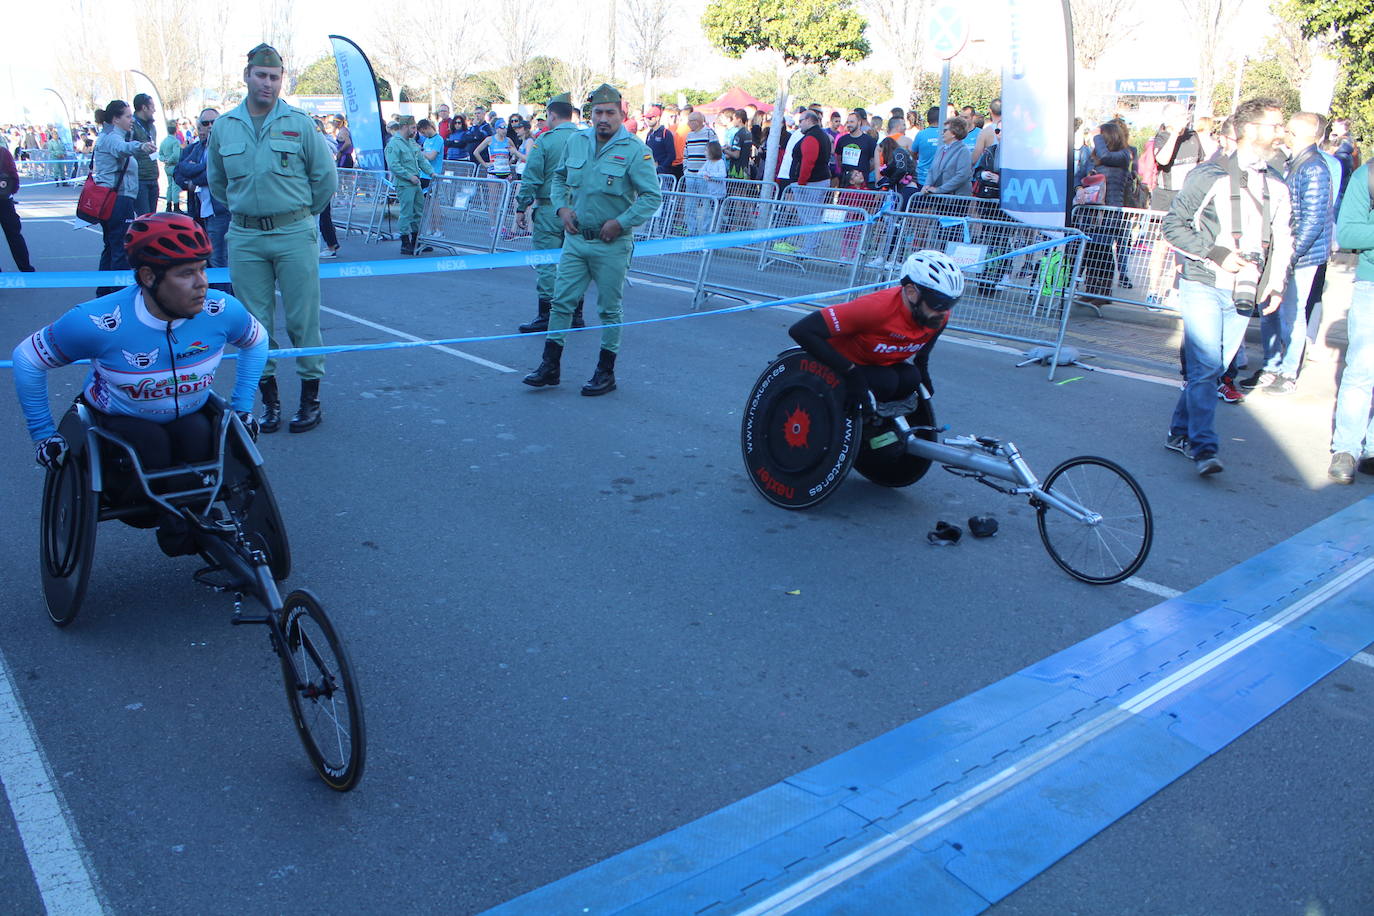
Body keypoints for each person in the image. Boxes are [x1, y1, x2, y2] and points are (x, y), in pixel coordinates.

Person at [11, 213, 267, 554]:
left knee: (202, 436)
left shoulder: (221, 310)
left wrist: (243, 408)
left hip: (190, 414)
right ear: (148, 277)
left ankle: (189, 522)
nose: (202, 282)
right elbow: (27, 359)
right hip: (118, 421)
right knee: (151, 442)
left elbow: (257, 340)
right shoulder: (97, 322)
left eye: (203, 268)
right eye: (186, 273)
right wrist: (44, 435)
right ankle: (174, 522)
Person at [207, 43, 338, 435]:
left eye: (275, 77)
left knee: (303, 320)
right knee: (254, 325)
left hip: (294, 232)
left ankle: (310, 402)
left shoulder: (299, 123)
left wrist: (297, 215)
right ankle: (270, 403)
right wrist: (246, 210)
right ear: (246, 76)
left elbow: (325, 178)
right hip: (245, 237)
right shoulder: (225, 127)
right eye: (261, 75)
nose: (268, 83)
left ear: (282, 79)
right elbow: (217, 182)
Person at [1161, 98, 1294, 477]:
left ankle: (1178, 431)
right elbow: (1173, 226)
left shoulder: (1277, 184)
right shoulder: (1210, 175)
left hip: (1246, 290)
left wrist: (1277, 285)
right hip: (1203, 283)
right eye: (1275, 126)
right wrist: (1216, 254)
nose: (1280, 133)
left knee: (1214, 367)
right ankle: (1204, 447)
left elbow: (1283, 239)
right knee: (1205, 368)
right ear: (1250, 130)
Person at [521, 84, 663, 396]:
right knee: (561, 302)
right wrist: (561, 207)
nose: (603, 118)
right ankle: (550, 366)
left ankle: (605, 372)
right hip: (575, 240)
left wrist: (621, 222)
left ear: (621, 114)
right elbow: (559, 177)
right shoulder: (577, 141)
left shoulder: (636, 151)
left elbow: (652, 197)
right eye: (598, 112)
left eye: (610, 112)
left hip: (611, 244)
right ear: (590, 115)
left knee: (609, 309)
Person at [787, 250, 964, 408]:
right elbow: (801, 330)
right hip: (841, 362)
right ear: (911, 292)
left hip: (876, 363)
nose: (944, 311)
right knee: (885, 382)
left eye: (951, 303)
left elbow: (923, 352)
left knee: (911, 378)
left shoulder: (939, 316)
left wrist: (922, 370)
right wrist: (850, 374)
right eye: (938, 303)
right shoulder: (874, 309)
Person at [1239, 112, 1333, 396]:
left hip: (1301, 254)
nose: (1284, 134)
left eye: (1290, 130)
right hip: (1288, 249)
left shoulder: (1314, 167)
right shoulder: (1297, 162)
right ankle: (1272, 365)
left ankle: (1287, 371)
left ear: (1305, 134)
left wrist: (1290, 256)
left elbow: (1313, 218)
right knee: (1271, 308)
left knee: (1291, 312)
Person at [515, 92, 586, 334]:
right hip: (581, 209)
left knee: (547, 262)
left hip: (549, 209)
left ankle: (546, 315)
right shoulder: (588, 139)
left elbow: (531, 176)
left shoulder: (545, 141)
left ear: (552, 115)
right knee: (576, 263)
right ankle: (576, 314)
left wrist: (521, 207)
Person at [1328, 157, 1374, 483]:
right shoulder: (1368, 175)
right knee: (1363, 369)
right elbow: (1347, 232)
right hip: (1372, 285)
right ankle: (1346, 448)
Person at [93, 100, 156, 295]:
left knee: (111, 247)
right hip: (117, 199)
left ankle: (104, 292)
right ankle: (119, 295)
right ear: (115, 119)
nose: (131, 120)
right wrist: (141, 146)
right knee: (119, 247)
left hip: (114, 199)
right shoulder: (112, 137)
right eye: (128, 116)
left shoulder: (111, 135)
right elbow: (123, 148)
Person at [172, 109, 232, 293]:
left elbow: (216, 174)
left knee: (218, 259)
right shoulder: (194, 148)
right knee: (202, 258)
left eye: (214, 122)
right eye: (205, 123)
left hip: (220, 212)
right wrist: (194, 178)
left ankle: (224, 299)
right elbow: (179, 171)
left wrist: (195, 176)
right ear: (198, 128)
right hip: (197, 213)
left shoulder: (226, 147)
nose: (210, 126)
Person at [385, 115, 434, 255]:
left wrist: (431, 173)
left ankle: (416, 240)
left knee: (419, 210)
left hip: (416, 182)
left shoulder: (412, 143)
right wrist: (408, 176)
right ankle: (405, 242)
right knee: (407, 212)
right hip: (404, 183)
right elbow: (394, 165)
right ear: (405, 126)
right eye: (413, 127)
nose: (415, 130)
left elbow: (421, 160)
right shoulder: (394, 144)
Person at [0, 143, 35, 271]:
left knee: (14, 235)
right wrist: (11, 191)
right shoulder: (3, 152)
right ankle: (25, 267)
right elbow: (13, 174)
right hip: (4, 199)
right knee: (14, 236)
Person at [130, 94, 160, 216]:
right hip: (139, 179)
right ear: (144, 107)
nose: (154, 110)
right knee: (144, 218)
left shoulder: (151, 126)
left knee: (153, 218)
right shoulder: (131, 126)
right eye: (152, 106)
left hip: (153, 176)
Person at [835, 109, 877, 187]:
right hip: (845, 181)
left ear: (859, 122)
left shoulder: (869, 140)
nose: (849, 125)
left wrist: (864, 171)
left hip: (861, 182)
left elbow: (873, 161)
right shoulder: (842, 140)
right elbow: (838, 158)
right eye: (848, 122)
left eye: (852, 122)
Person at [158, 120, 183, 212]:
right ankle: (176, 206)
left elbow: (160, 154)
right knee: (175, 186)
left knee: (169, 186)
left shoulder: (164, 141)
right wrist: (170, 160)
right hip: (174, 166)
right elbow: (176, 155)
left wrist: (164, 159)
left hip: (167, 166)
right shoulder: (175, 142)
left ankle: (168, 205)